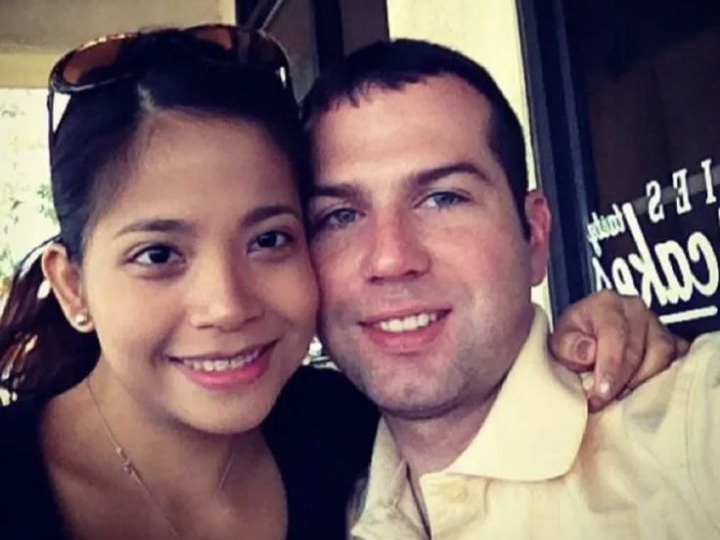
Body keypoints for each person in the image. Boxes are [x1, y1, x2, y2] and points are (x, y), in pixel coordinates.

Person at [0, 26, 686, 540]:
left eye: (270, 239)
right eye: (158, 254)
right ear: (73, 286)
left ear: (535, 234)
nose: (228, 305)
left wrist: (609, 336)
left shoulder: (347, 430)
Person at [303, 38, 719, 539]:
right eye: (341, 216)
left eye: (443, 199)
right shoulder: (311, 494)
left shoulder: (692, 428)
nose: (391, 259)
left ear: (535, 236)